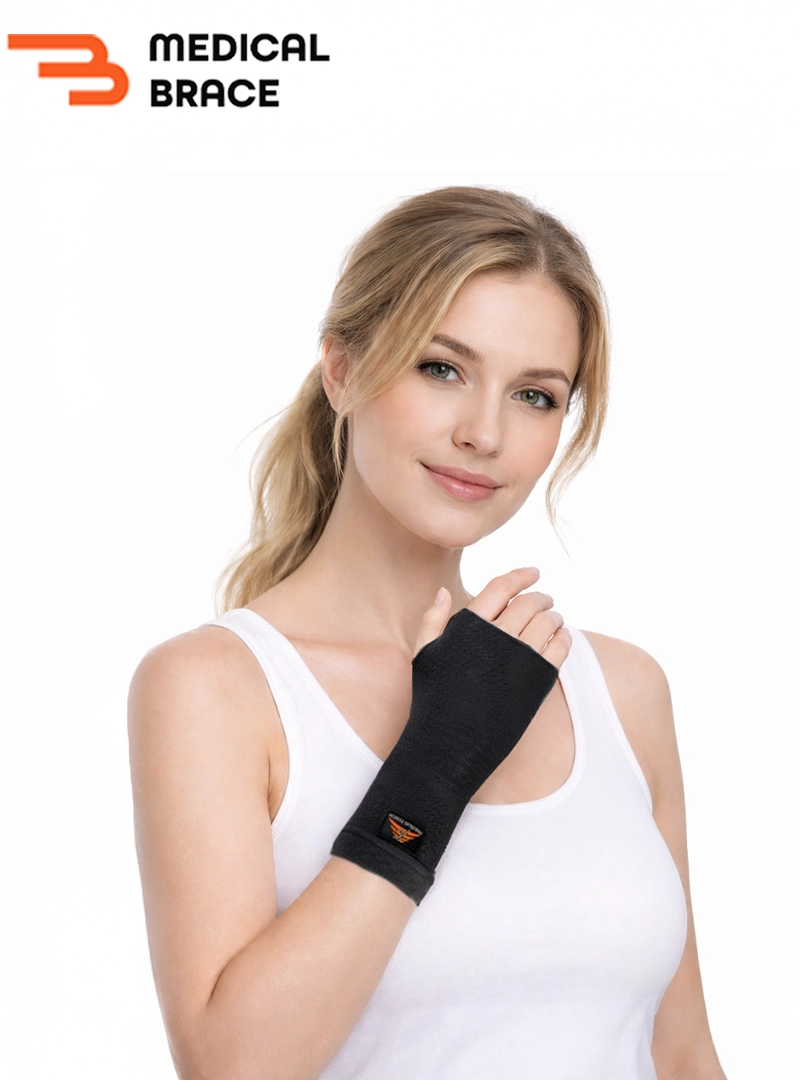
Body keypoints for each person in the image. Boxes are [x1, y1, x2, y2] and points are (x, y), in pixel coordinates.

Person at [127, 185, 728, 1079]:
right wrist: (437, 764)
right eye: (442, 369)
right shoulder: (218, 688)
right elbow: (233, 1066)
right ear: (342, 370)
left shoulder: (622, 691)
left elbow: (682, 1053)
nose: (484, 433)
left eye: (535, 395)